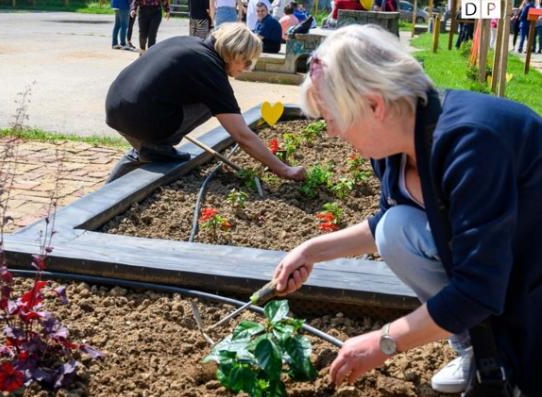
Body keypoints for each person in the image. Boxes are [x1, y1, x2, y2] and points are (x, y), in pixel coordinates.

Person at [272, 24, 542, 396]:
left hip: (531, 271)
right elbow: (392, 221)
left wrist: (384, 342)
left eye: (331, 117)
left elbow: (479, 288)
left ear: (373, 105)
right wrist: (312, 250)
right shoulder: (395, 146)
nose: (331, 132)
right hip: (504, 263)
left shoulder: (473, 143)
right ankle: (479, 351)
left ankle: (507, 359)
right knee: (395, 230)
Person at [105, 23, 306, 183]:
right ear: (234, 53)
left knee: (144, 151)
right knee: (215, 103)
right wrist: (283, 169)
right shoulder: (210, 70)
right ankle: (157, 147)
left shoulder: (191, 43)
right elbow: (241, 135)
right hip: (140, 119)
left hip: (116, 107)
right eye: (247, 62)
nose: (248, 68)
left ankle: (108, 192)